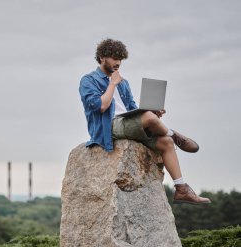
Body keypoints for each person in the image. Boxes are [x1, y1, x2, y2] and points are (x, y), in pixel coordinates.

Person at [79, 38, 211, 205]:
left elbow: (132, 108)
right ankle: (175, 134)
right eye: (114, 58)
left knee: (166, 142)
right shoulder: (88, 80)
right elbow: (101, 107)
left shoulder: (123, 83)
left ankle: (181, 189)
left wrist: (154, 113)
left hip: (127, 123)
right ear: (102, 58)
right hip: (108, 127)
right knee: (150, 118)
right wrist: (112, 83)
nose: (118, 62)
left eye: (120, 59)